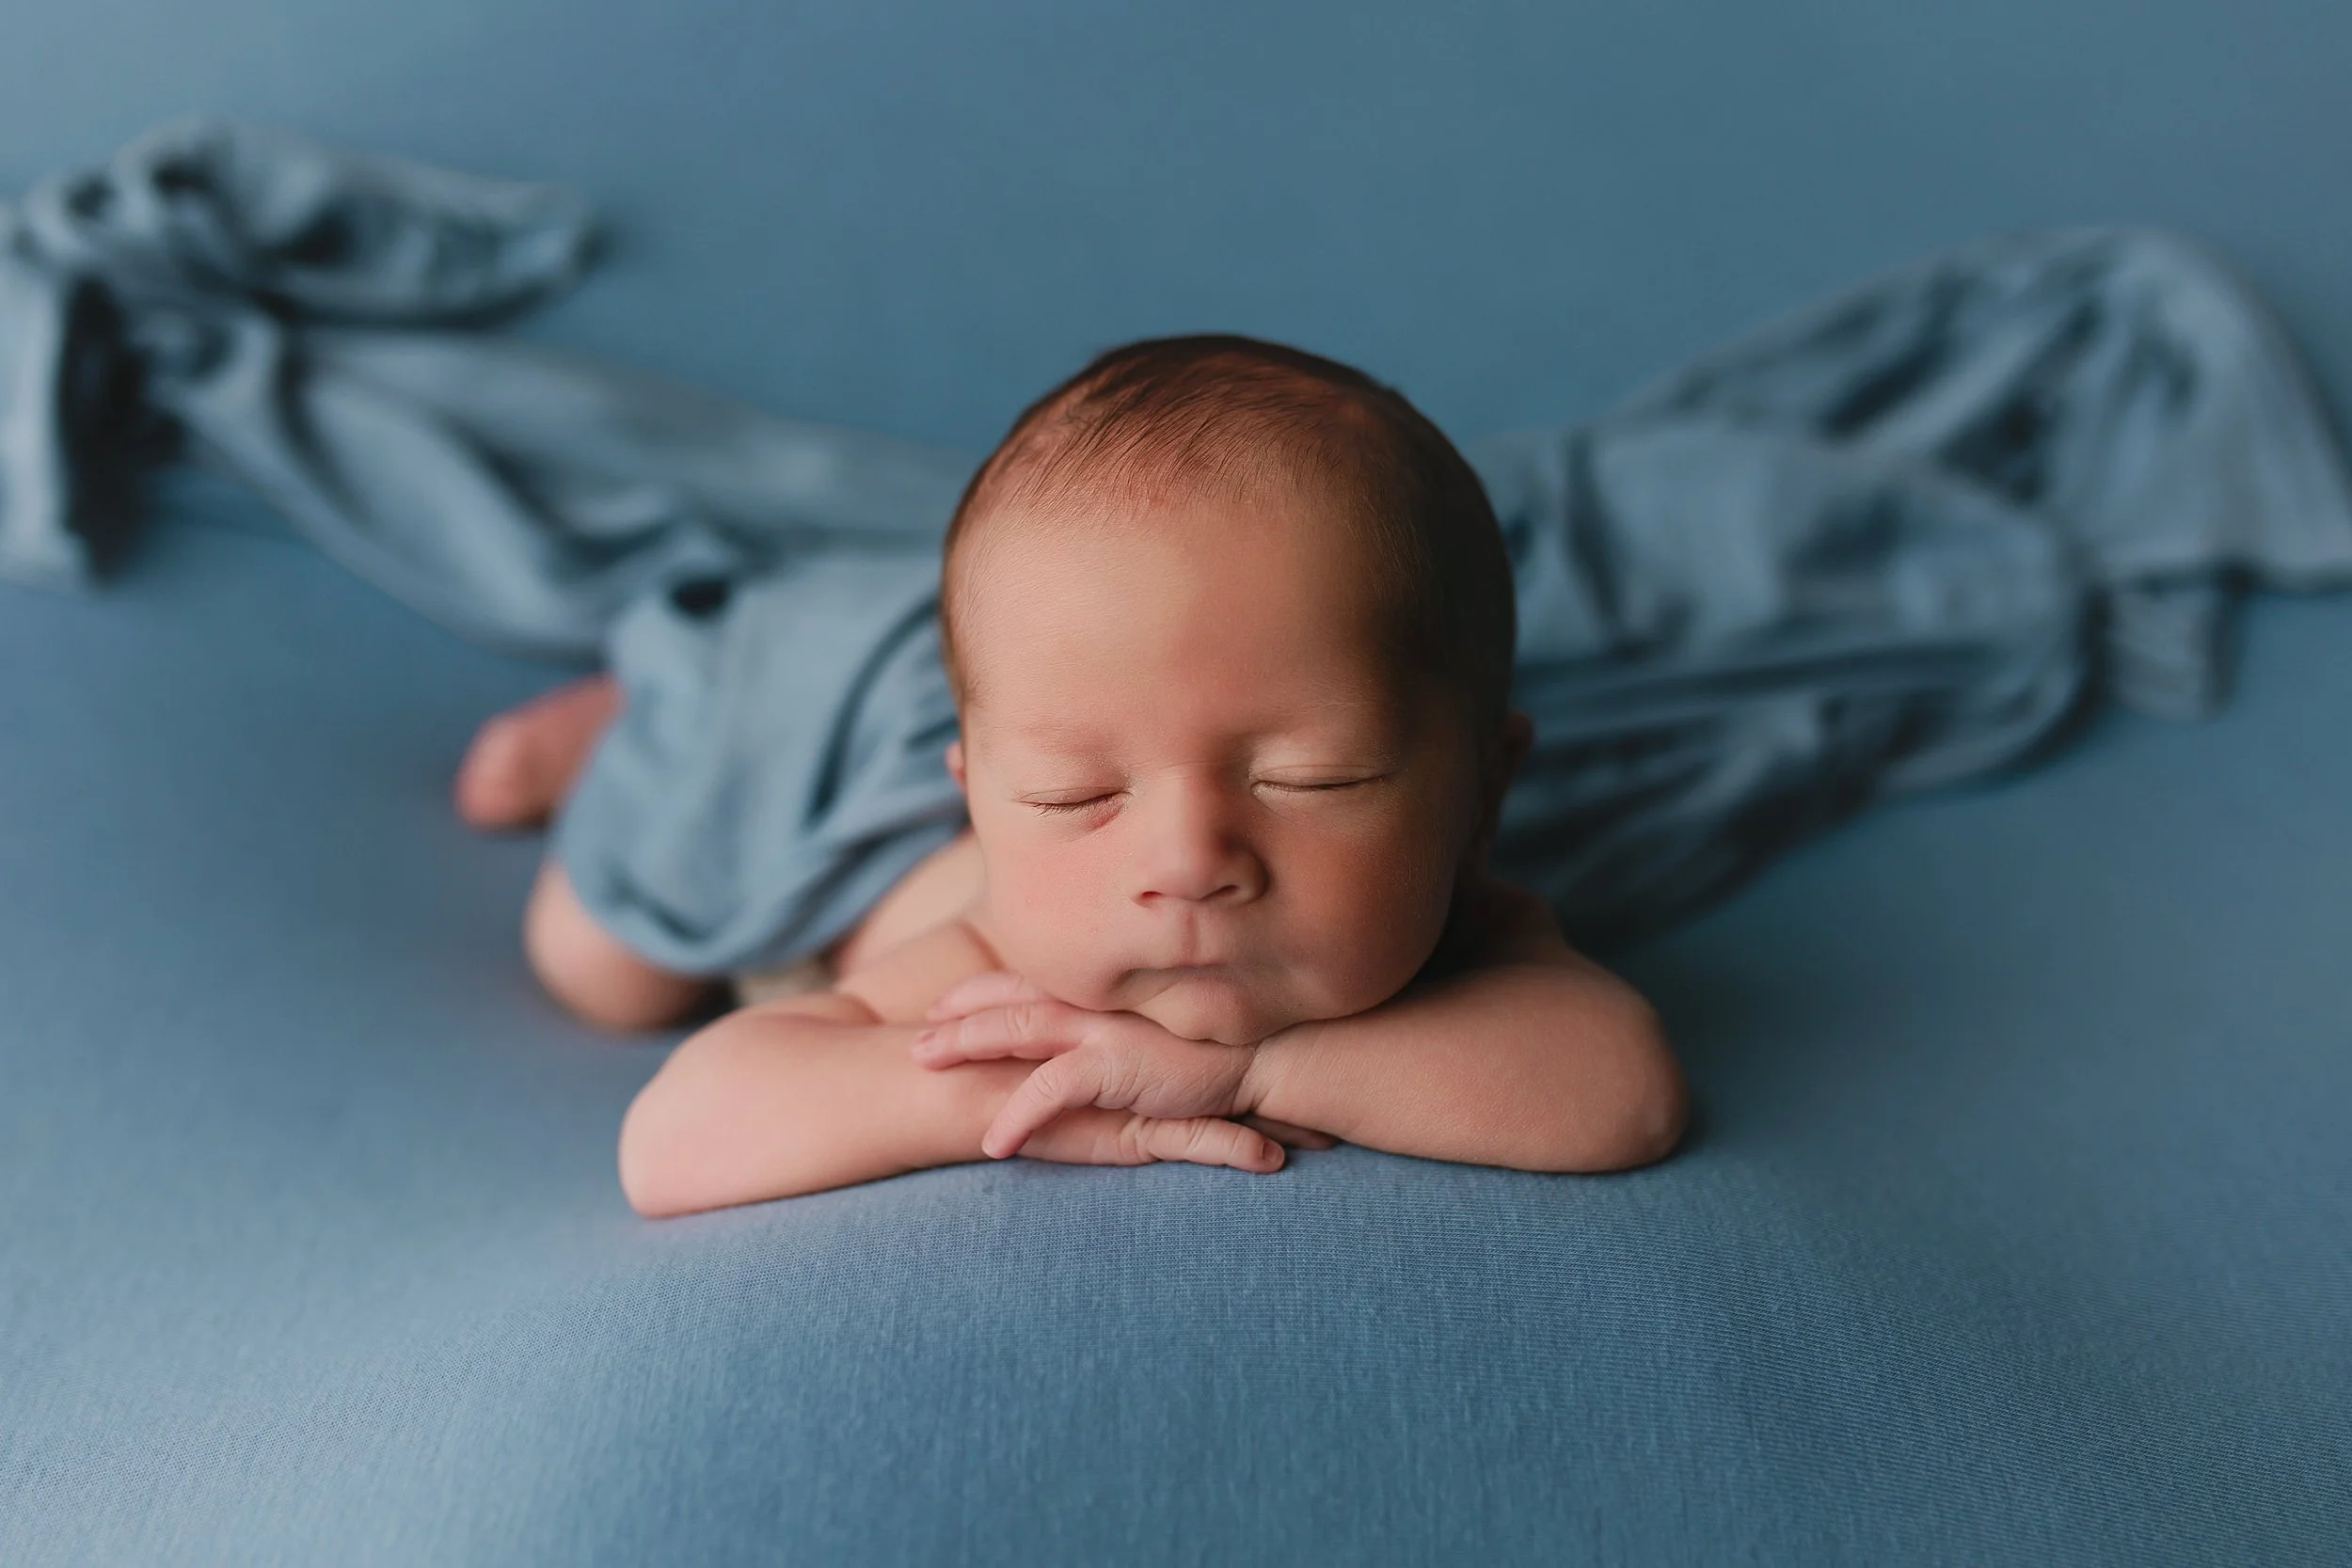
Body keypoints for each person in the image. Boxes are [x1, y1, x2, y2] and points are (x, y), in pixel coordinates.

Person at [455, 335, 1686, 1216]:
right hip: (819, 798)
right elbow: (668, 1143)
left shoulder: (1469, 933)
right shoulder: (981, 962)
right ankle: (664, 693)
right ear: (983, 802)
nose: (1191, 860)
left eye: (1316, 776)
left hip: (1028, 703)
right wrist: (1004, 1096)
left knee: (1078, 670)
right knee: (605, 968)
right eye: (1073, 797)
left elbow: (1621, 1091)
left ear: (1482, 796)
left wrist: (1250, 1070)